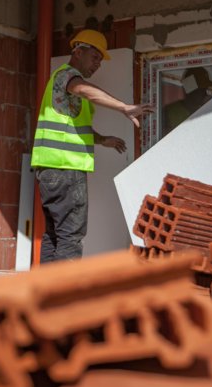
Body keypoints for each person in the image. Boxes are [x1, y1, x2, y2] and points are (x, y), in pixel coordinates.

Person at [31, 29, 154, 263]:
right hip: (66, 168)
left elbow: (72, 126)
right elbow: (84, 90)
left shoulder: (61, 80)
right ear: (78, 52)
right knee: (70, 236)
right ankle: (67, 287)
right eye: (95, 57)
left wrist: (102, 140)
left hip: (49, 168)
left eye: (100, 60)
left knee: (55, 236)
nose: (98, 64)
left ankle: (47, 286)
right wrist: (124, 107)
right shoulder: (68, 76)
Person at [163, 67, 212, 135]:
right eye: (202, 90)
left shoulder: (207, 113)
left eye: (205, 90)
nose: (205, 94)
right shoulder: (168, 113)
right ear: (190, 90)